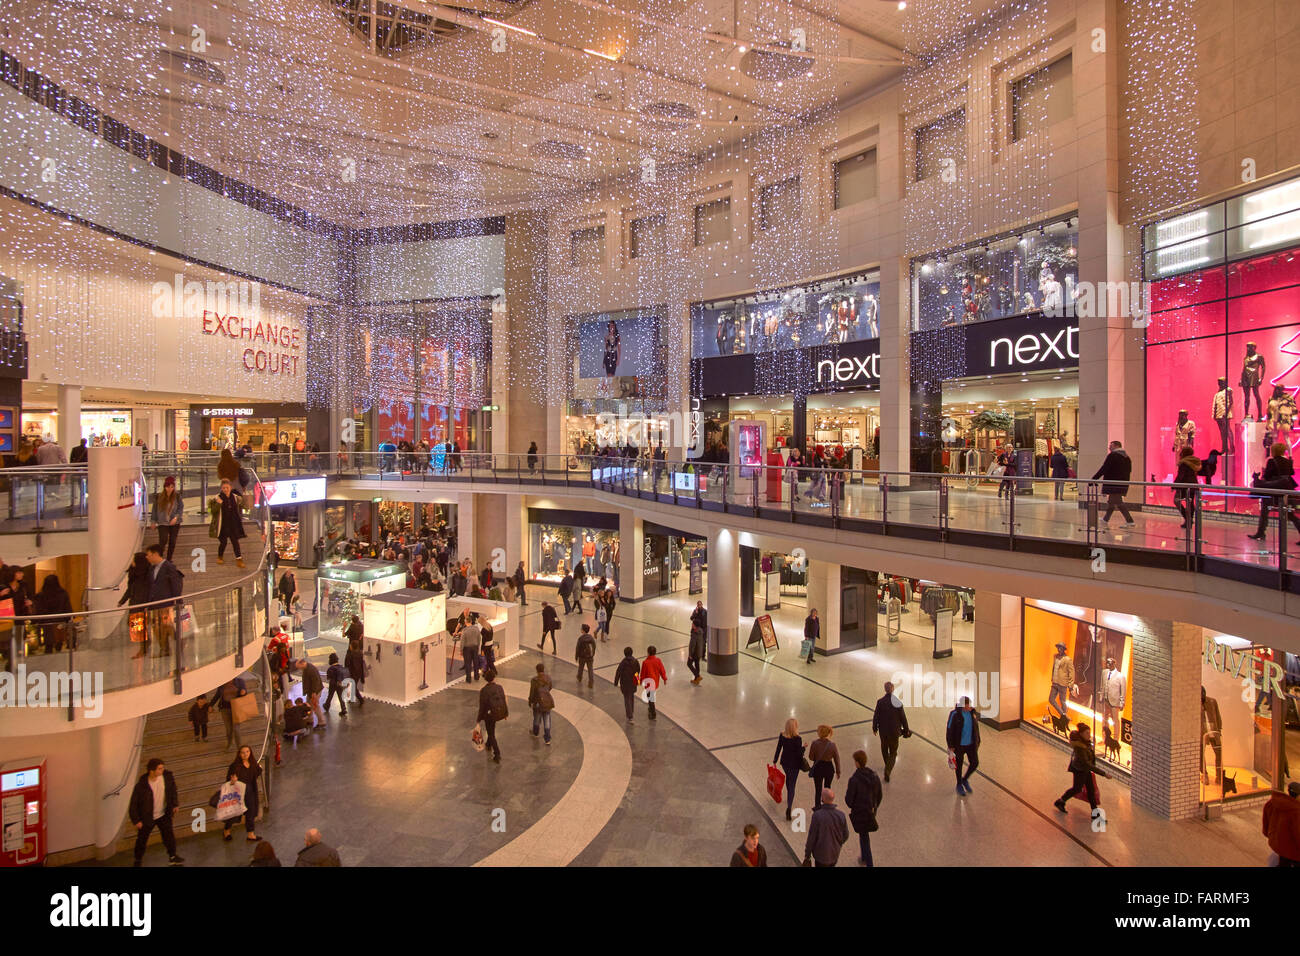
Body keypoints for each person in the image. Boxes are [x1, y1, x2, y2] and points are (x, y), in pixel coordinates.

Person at [129, 758, 184, 867]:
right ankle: (138, 859)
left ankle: (172, 857)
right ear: (151, 771)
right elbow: (133, 804)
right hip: (147, 817)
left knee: (169, 836)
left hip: (163, 814)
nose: (162, 770)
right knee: (142, 839)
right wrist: (136, 820)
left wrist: (174, 804)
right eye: (159, 769)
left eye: (162, 768)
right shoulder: (141, 785)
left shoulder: (167, 777)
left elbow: (173, 790)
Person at [1248, 442, 1300, 543]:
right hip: (1285, 490)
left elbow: (1267, 475)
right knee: (1290, 514)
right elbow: (1291, 473)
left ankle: (1261, 532)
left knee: (1265, 512)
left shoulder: (1272, 461)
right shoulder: (1288, 461)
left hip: (1272, 491)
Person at [1053, 722, 1106, 816]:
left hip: (1085, 769)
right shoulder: (1080, 748)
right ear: (1081, 734)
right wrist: (1104, 773)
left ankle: (1095, 812)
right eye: (1087, 733)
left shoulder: (1085, 743)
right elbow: (1086, 764)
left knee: (1091, 790)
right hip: (1080, 770)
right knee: (1077, 788)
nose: (1089, 735)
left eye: (1089, 733)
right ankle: (1060, 801)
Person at [844, 750, 883, 866]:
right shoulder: (874, 776)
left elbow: (849, 801)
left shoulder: (854, 780)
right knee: (863, 835)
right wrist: (874, 807)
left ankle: (868, 862)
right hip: (870, 811)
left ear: (857, 763)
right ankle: (864, 857)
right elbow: (880, 795)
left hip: (860, 812)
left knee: (864, 837)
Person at [144, 544, 184, 656]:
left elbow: (176, 585)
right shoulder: (152, 569)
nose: (147, 557)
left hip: (166, 604)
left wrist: (177, 602)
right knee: (157, 628)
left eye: (149, 555)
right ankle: (164, 649)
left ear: (156, 554)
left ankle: (178, 644)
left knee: (168, 627)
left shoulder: (169, 567)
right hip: (154, 604)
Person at [222, 745, 262, 842]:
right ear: (239, 754)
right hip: (238, 793)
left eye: (247, 751)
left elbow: (254, 775)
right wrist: (233, 781)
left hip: (250, 791)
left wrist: (259, 769)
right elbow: (228, 780)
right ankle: (226, 830)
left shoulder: (252, 763)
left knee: (251, 812)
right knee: (234, 814)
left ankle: (250, 834)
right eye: (243, 752)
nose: (245, 754)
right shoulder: (235, 766)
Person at [871, 681, 910, 782]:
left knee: (884, 749)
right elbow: (903, 718)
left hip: (883, 731)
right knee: (893, 752)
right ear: (892, 689)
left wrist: (874, 727)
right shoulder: (897, 703)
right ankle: (888, 770)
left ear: (885, 689)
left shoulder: (880, 702)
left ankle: (887, 765)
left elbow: (876, 716)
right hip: (894, 732)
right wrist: (906, 730)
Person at [1091, 440, 1135, 526]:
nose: (1109, 447)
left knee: (1118, 502)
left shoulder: (1112, 456)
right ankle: (1106, 519)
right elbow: (1129, 471)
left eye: (1111, 445)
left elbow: (1104, 468)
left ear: (1116, 446)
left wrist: (1094, 478)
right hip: (1122, 483)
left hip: (1113, 483)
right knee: (1112, 501)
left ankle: (1130, 521)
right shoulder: (1126, 457)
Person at [803, 788, 849, 868]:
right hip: (834, 853)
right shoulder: (841, 815)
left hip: (820, 854)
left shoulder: (817, 816)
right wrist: (837, 844)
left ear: (823, 799)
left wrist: (807, 854)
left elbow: (812, 837)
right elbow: (846, 835)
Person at [946, 696, 981, 795]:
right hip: (959, 745)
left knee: (974, 763)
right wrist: (950, 745)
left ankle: (965, 779)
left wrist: (978, 740)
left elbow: (976, 728)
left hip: (971, 744)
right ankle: (959, 784)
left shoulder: (972, 713)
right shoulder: (954, 714)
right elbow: (949, 730)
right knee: (959, 765)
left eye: (969, 705)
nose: (968, 707)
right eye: (966, 705)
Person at [773, 717, 806, 821]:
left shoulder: (782, 736)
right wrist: (804, 747)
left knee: (788, 779)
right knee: (792, 784)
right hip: (794, 765)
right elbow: (799, 754)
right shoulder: (797, 739)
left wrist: (775, 759)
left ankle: (788, 795)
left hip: (785, 763)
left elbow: (779, 748)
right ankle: (789, 806)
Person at [1262, 782, 1300, 866]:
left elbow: (1265, 828)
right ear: (1298, 796)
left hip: (1278, 846)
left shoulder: (1271, 803)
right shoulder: (1296, 812)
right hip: (1293, 852)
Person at [34, 573, 72, 655]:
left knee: (48, 645)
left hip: (47, 624)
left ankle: (48, 662)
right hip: (59, 622)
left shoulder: (41, 595)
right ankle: (58, 660)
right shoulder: (63, 593)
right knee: (59, 643)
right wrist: (68, 619)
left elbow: (38, 611)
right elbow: (67, 608)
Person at [476, 666, 507, 763]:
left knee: (491, 733)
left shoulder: (484, 691)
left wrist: (479, 718)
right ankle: (488, 744)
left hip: (488, 715)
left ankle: (497, 753)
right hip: (497, 712)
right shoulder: (499, 688)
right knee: (491, 729)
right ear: (494, 677)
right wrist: (506, 713)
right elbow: (503, 701)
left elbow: (482, 706)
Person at [214, 478, 246, 568]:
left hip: (232, 524)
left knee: (235, 542)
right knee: (223, 542)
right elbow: (213, 511)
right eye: (223, 488)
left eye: (227, 487)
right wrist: (218, 504)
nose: (225, 490)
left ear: (230, 487)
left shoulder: (234, 497)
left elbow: (241, 504)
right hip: (223, 525)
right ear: (221, 488)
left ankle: (239, 559)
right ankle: (220, 556)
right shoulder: (218, 497)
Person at [808, 724, 840, 809]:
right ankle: (827, 805)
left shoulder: (815, 743)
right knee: (827, 788)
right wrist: (838, 771)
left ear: (820, 733)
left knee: (818, 789)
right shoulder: (832, 745)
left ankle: (817, 806)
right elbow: (837, 759)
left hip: (818, 768)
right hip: (829, 768)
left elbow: (811, 757)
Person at [153, 476, 183, 561]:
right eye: (167, 487)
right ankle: (160, 558)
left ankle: (169, 559)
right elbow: (154, 509)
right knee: (163, 540)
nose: (170, 489)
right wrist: (153, 521)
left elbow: (180, 508)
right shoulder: (159, 496)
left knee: (172, 541)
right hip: (163, 522)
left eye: (172, 487)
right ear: (164, 487)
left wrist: (176, 517)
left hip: (174, 522)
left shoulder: (177, 496)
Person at [1172, 445, 1201, 529]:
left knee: (1177, 501)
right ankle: (1189, 520)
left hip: (1184, 486)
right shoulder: (1194, 462)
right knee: (1190, 503)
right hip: (1193, 486)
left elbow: (1181, 475)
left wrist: (1174, 486)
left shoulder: (1184, 463)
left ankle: (1188, 519)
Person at [214, 675, 247, 749]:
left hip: (236, 708)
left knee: (236, 729)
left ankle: (239, 747)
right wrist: (210, 705)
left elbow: (245, 691)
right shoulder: (222, 684)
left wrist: (243, 692)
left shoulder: (240, 681)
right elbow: (217, 695)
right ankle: (229, 743)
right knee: (228, 729)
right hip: (225, 709)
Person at [528, 662, 554, 745]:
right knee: (547, 720)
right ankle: (547, 738)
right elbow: (550, 687)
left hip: (537, 703)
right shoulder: (548, 678)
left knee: (537, 718)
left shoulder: (534, 680)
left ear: (537, 670)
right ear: (543, 669)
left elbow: (532, 692)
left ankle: (536, 733)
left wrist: (530, 701)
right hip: (547, 702)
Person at [640, 644, 667, 719]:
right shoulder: (658, 660)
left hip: (649, 683)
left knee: (650, 698)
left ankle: (653, 713)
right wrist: (664, 678)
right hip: (655, 682)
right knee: (651, 696)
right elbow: (662, 670)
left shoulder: (645, 662)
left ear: (648, 653)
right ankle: (650, 708)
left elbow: (643, 673)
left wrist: (641, 681)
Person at [296, 658, 325, 728]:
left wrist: (314, 692)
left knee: (315, 706)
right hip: (311, 691)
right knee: (309, 705)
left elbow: (316, 681)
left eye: (299, 667)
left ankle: (321, 722)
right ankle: (310, 720)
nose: (299, 669)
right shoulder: (306, 668)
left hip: (314, 691)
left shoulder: (310, 670)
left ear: (302, 663)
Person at [613, 646, 640, 721]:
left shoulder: (623, 662)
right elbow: (637, 672)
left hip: (625, 683)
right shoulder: (635, 661)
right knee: (631, 697)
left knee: (626, 698)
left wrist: (616, 682)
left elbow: (618, 672)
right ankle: (632, 711)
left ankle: (629, 715)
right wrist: (637, 681)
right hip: (633, 683)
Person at [324, 652, 349, 717]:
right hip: (339, 684)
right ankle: (343, 709)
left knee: (330, 695)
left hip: (332, 684)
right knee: (341, 697)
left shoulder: (330, 668)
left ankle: (327, 705)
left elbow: (329, 678)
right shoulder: (341, 667)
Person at [459, 614, 482, 683]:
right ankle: (476, 676)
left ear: (466, 622)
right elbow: (479, 638)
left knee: (468, 664)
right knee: (476, 662)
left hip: (467, 649)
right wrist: (478, 645)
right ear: (471, 621)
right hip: (475, 647)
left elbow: (462, 641)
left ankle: (468, 679)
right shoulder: (476, 629)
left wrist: (461, 650)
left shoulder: (465, 630)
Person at [345, 637, 366, 706]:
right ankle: (351, 698)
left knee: (353, 687)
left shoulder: (350, 655)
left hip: (352, 674)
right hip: (358, 673)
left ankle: (361, 699)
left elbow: (347, 665)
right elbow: (361, 665)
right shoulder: (360, 654)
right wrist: (362, 676)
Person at [575, 623, 596, 688]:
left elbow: (578, 648)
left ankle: (579, 677)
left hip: (582, 657)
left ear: (583, 630)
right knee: (590, 669)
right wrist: (593, 654)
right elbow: (594, 646)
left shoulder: (581, 639)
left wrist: (576, 656)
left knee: (581, 667)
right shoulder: (591, 638)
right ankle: (591, 682)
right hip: (590, 656)